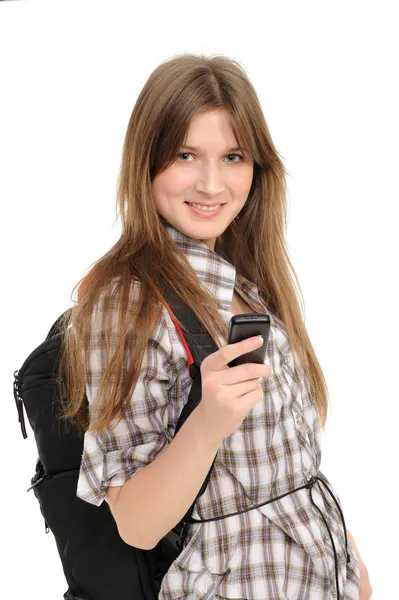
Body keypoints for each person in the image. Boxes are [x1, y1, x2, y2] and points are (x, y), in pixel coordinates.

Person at [59, 53, 372, 599]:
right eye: (185, 155)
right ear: (146, 162)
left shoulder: (243, 279)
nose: (211, 183)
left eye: (232, 156)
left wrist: (348, 559)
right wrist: (207, 424)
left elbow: (281, 468)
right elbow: (137, 524)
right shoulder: (127, 302)